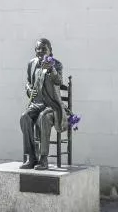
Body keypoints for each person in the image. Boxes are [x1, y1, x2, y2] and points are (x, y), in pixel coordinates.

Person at [19, 38, 68, 170]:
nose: (40, 51)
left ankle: (43, 159)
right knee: (25, 117)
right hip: (36, 104)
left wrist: (52, 69)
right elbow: (28, 82)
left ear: (50, 51)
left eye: (44, 48)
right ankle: (31, 156)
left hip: (52, 106)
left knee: (43, 118)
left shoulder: (56, 64)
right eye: (38, 49)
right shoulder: (31, 64)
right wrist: (29, 90)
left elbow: (58, 81)